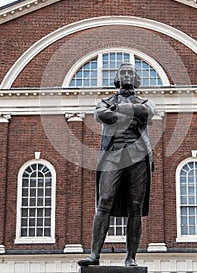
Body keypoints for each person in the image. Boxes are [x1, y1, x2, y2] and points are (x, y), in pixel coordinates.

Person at [78, 63, 156, 267]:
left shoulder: (144, 101)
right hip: (113, 156)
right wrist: (131, 114)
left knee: (135, 207)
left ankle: (131, 258)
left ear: (136, 79)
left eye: (131, 72)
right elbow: (102, 114)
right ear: (117, 79)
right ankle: (94, 255)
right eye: (124, 73)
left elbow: (147, 111)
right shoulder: (105, 101)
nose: (128, 75)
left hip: (138, 156)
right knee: (104, 201)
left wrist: (121, 110)